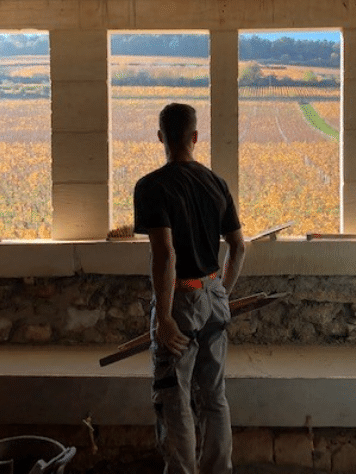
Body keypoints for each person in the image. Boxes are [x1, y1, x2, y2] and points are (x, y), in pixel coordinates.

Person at [134, 103, 246, 474]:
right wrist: (221, 291)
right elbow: (239, 246)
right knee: (215, 396)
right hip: (214, 295)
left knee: (175, 396)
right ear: (195, 137)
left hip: (181, 300)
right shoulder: (217, 183)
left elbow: (165, 255)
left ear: (161, 136)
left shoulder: (152, 187)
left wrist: (164, 317)